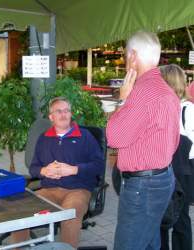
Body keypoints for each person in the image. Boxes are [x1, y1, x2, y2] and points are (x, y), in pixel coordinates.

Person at [106, 31, 180, 250]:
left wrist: (123, 100)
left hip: (143, 186)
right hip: (163, 178)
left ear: (133, 56)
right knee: (149, 242)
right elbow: (173, 142)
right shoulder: (167, 91)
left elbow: (114, 137)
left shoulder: (141, 92)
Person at [11, 96, 105, 248]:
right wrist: (44, 170)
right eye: (58, 111)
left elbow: (99, 165)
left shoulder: (85, 136)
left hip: (78, 190)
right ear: (51, 117)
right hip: (49, 190)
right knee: (20, 213)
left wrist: (73, 170)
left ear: (71, 114)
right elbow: (33, 168)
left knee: (69, 216)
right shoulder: (44, 138)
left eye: (67, 111)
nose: (63, 114)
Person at [160, 64, 194, 250]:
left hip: (182, 173)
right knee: (161, 219)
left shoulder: (187, 110)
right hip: (163, 169)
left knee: (180, 220)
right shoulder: (162, 107)